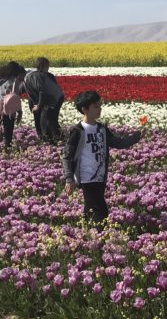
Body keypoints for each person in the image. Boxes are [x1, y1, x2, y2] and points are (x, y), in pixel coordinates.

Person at [62, 90, 145, 224]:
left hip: (100, 175)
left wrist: (136, 137)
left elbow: (118, 143)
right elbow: (67, 156)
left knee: (91, 208)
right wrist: (69, 178)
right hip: (86, 176)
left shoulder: (101, 129)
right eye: (96, 106)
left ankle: (87, 233)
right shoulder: (78, 131)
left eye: (100, 106)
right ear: (85, 109)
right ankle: (96, 235)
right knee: (100, 209)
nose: (99, 109)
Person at [24, 56, 65, 143]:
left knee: (48, 122)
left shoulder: (48, 76)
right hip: (42, 103)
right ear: (42, 66)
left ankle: (52, 140)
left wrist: (38, 105)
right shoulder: (36, 76)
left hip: (46, 103)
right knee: (45, 122)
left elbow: (46, 91)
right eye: (47, 66)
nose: (48, 68)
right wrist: (37, 105)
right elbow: (41, 91)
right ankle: (49, 140)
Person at [0, 61, 26, 149]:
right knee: (8, 131)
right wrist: (19, 111)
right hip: (8, 108)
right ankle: (7, 149)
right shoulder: (13, 81)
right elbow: (15, 97)